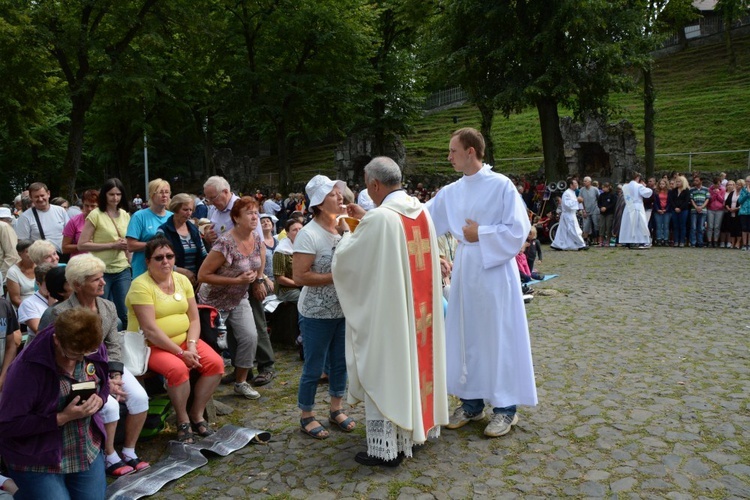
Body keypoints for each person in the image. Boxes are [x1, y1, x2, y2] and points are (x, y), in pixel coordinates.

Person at [332, 157, 448, 466]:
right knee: (415, 365)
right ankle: (415, 432)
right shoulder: (420, 210)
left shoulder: (381, 218)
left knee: (389, 369)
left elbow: (349, 262)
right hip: (419, 312)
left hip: (392, 316)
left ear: (373, 185)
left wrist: (346, 232)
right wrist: (367, 218)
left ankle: (387, 451)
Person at [425, 128, 537, 438]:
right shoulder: (451, 192)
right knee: (467, 335)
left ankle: (505, 409)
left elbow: (519, 229)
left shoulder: (500, 186)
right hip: (466, 270)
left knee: (498, 336)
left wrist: (482, 234)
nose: (449, 157)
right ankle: (471, 403)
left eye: (453, 151)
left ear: (471, 152)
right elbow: (422, 218)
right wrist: (380, 213)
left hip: (496, 271)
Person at [39, 254, 150, 476]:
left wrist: (115, 375)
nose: (103, 282)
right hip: (74, 371)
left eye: (102, 277)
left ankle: (129, 450)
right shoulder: (58, 314)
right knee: (107, 405)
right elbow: (44, 349)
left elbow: (113, 343)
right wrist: (104, 383)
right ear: (78, 284)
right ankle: (109, 455)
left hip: (105, 365)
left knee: (139, 397)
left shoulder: (107, 306)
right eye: (96, 279)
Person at [0, 307, 108, 500]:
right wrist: (61, 418)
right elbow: (7, 425)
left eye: (87, 353)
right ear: (57, 340)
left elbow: (103, 381)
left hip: (84, 449)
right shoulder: (27, 369)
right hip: (37, 459)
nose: (81, 359)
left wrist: (101, 399)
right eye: (73, 355)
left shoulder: (89, 342)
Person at [126, 237, 224, 443]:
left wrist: (191, 345)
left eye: (169, 256)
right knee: (178, 369)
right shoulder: (140, 286)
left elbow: (194, 318)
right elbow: (150, 330)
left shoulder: (182, 280)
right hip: (151, 346)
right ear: (147, 262)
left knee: (216, 364)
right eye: (159, 258)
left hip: (184, 342)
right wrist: (181, 354)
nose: (165, 262)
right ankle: (182, 419)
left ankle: (197, 414)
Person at [293, 174, 356, 440]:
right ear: (318, 203)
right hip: (316, 312)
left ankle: (336, 409)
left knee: (340, 362)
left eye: (338, 192)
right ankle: (306, 415)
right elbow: (300, 276)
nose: (339, 196)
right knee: (314, 364)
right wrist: (337, 277)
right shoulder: (309, 234)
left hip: (343, 309)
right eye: (332, 194)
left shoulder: (344, 228)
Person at [203, 176, 275, 387]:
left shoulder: (245, 209)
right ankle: (241, 368)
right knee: (232, 329)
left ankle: (266, 365)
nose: (211, 202)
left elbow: (259, 247)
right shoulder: (214, 211)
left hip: (247, 278)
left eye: (213, 197)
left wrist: (258, 279)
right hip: (224, 280)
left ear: (225, 192)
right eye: (208, 199)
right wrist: (209, 238)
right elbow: (218, 245)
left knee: (255, 324)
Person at [197, 197, 264, 400]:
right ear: (236, 217)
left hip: (238, 297)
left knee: (250, 337)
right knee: (212, 345)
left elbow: (260, 258)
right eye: (249, 213)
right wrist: (237, 280)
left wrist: (258, 279)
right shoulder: (225, 242)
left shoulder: (256, 237)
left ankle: (241, 381)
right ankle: (203, 388)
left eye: (256, 212)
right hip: (213, 301)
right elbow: (202, 275)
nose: (255, 217)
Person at [78, 178, 132, 328]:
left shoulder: (125, 215)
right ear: (104, 195)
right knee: (101, 312)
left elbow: (128, 241)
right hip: (100, 270)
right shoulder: (96, 214)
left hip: (122, 268)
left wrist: (128, 253)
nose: (115, 198)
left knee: (126, 312)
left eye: (118, 194)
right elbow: (82, 244)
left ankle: (127, 346)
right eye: (111, 194)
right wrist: (112, 245)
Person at [157, 193, 207, 288]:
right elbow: (158, 260)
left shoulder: (194, 230)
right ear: (175, 209)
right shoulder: (163, 231)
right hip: (171, 282)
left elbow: (204, 254)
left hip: (195, 283)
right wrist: (179, 270)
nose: (189, 213)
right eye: (185, 209)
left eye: (191, 210)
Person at [127, 179, 172, 279]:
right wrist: (156, 246)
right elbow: (131, 245)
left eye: (167, 192)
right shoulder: (139, 216)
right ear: (152, 195)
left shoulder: (172, 217)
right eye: (160, 192)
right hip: (143, 271)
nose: (164, 195)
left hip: (166, 272)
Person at [15, 182, 70, 254]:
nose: (40, 199)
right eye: (36, 197)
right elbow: (22, 244)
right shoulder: (25, 217)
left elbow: (70, 233)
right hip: (41, 258)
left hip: (63, 255)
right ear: (31, 198)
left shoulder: (60, 211)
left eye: (42, 195)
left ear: (48, 194)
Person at [17, 263, 56, 338]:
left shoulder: (64, 296)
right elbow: (40, 331)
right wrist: (53, 308)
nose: (52, 285)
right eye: (48, 282)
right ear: (38, 284)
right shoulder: (28, 303)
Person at [619, 172, 653, 248]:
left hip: (628, 206)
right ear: (637, 177)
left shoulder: (625, 186)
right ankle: (638, 241)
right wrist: (645, 186)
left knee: (628, 224)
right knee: (639, 224)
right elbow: (648, 193)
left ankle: (627, 240)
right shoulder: (638, 186)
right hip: (637, 206)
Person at [62, 189, 99, 259]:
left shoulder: (106, 220)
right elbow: (64, 248)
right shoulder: (74, 221)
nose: (89, 209)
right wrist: (84, 246)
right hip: (80, 263)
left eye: (93, 206)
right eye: (86, 205)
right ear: (82, 204)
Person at [551, 178, 587, 251]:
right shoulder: (567, 193)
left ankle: (559, 244)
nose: (577, 185)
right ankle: (581, 244)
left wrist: (579, 202)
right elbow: (567, 204)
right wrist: (577, 200)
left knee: (564, 230)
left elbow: (573, 202)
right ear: (571, 185)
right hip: (568, 214)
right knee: (573, 229)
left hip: (570, 213)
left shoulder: (572, 193)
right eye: (575, 183)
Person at [273, 219, 303, 302]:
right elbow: (280, 278)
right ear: (287, 233)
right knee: (304, 299)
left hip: (304, 284)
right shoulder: (281, 251)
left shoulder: (306, 247)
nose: (298, 232)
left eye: (300, 229)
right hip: (286, 289)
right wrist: (299, 285)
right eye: (294, 230)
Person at [5, 240, 35, 309]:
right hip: (23, 308)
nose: (32, 253)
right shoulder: (13, 272)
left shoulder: (41, 266)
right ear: (20, 254)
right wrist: (31, 309)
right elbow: (15, 299)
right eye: (27, 251)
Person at [0, 207, 20, 286]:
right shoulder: (3, 226)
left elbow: (13, 255)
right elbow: (13, 255)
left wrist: (2, 277)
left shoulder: (3, 226)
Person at [689, 176, 710, 248]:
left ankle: (700, 242)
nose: (695, 182)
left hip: (703, 210)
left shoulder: (706, 189)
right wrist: (696, 207)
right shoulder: (692, 190)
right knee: (693, 227)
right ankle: (693, 242)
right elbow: (691, 199)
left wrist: (702, 207)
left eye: (697, 180)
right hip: (694, 210)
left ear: (701, 181)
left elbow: (707, 199)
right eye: (694, 180)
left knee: (701, 227)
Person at [579, 176, 599, 245]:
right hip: (586, 210)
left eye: (586, 181)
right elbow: (580, 201)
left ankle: (597, 240)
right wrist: (583, 210)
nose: (584, 182)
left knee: (596, 225)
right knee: (586, 226)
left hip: (594, 209)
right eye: (584, 181)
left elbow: (599, 198)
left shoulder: (595, 189)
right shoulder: (581, 190)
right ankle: (585, 240)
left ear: (590, 182)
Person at [671, 175, 691, 247]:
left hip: (683, 210)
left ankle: (682, 241)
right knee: (675, 226)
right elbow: (671, 200)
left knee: (682, 226)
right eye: (677, 181)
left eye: (679, 181)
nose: (677, 183)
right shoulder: (674, 191)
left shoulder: (686, 191)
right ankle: (676, 241)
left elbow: (686, 201)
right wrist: (675, 207)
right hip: (674, 210)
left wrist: (680, 208)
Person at [706, 176, 725, 248]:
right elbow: (710, 200)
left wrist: (718, 193)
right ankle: (709, 241)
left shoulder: (722, 189)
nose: (717, 185)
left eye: (719, 184)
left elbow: (722, 200)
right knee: (710, 226)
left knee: (717, 226)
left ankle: (716, 240)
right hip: (710, 209)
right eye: (716, 184)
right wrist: (713, 194)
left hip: (719, 209)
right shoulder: (709, 189)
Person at [652, 179, 672, 246]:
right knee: (659, 226)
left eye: (663, 184)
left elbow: (670, 202)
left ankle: (666, 239)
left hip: (667, 211)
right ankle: (659, 239)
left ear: (666, 184)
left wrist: (666, 209)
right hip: (658, 211)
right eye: (660, 184)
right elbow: (654, 202)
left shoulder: (669, 192)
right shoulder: (656, 192)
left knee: (666, 226)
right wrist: (658, 209)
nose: (661, 185)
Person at [724, 180, 742, 249]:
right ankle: (732, 242)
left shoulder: (742, 193)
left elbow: (742, 203)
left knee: (738, 228)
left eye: (739, 185)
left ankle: (738, 243)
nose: (737, 186)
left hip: (738, 213)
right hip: (731, 212)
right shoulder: (732, 193)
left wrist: (736, 209)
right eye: (737, 184)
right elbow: (727, 202)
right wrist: (728, 208)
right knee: (732, 228)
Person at [597, 182, 617, 247]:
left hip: (609, 213)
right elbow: (598, 203)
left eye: (604, 187)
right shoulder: (601, 195)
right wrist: (601, 207)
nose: (603, 189)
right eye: (602, 187)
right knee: (601, 226)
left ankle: (608, 241)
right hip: (602, 213)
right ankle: (601, 241)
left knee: (608, 226)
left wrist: (606, 208)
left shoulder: (612, 195)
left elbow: (613, 204)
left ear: (608, 187)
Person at [738, 176, 750, 251]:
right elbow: (740, 201)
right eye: (747, 181)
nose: (748, 183)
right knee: (744, 228)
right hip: (744, 211)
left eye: (749, 181)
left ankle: (749, 244)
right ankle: (744, 244)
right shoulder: (743, 190)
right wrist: (747, 194)